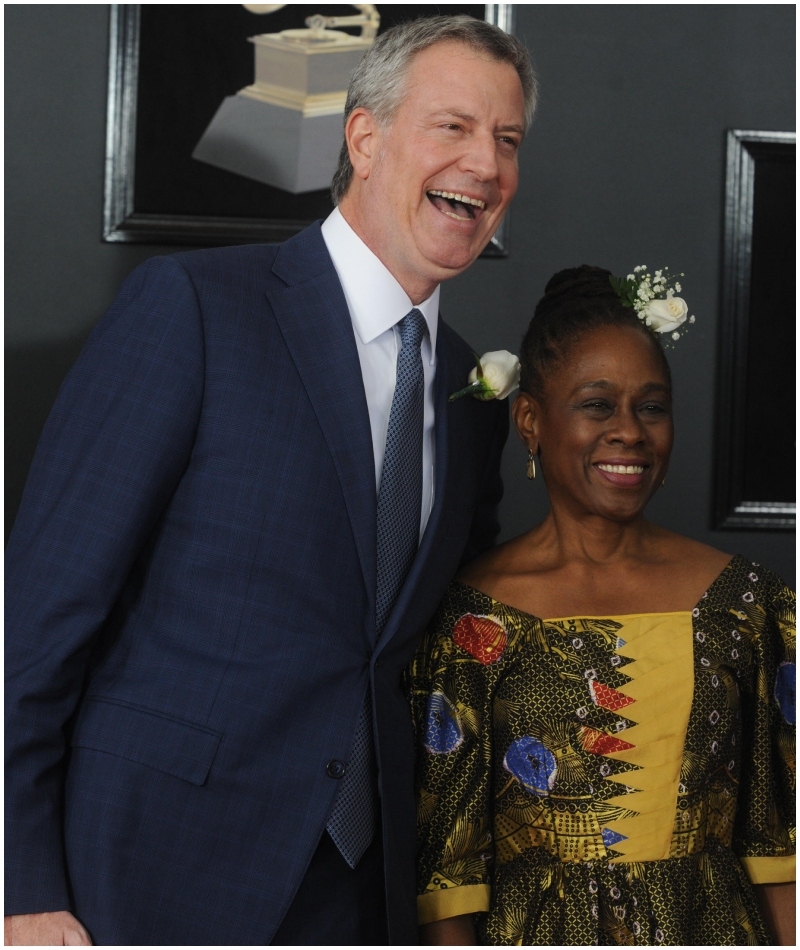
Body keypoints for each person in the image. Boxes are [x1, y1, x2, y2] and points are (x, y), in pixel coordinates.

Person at [5, 16, 536, 946]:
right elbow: (34, 620)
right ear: (364, 138)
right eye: (452, 127)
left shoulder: (469, 390)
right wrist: (20, 886)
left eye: (507, 139)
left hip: (365, 901)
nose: (485, 165)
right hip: (142, 878)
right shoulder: (197, 311)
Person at [407, 265, 795, 946]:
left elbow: (780, 848)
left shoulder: (748, 604)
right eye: (597, 405)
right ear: (530, 421)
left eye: (651, 406)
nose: (630, 432)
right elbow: (449, 879)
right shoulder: (474, 623)